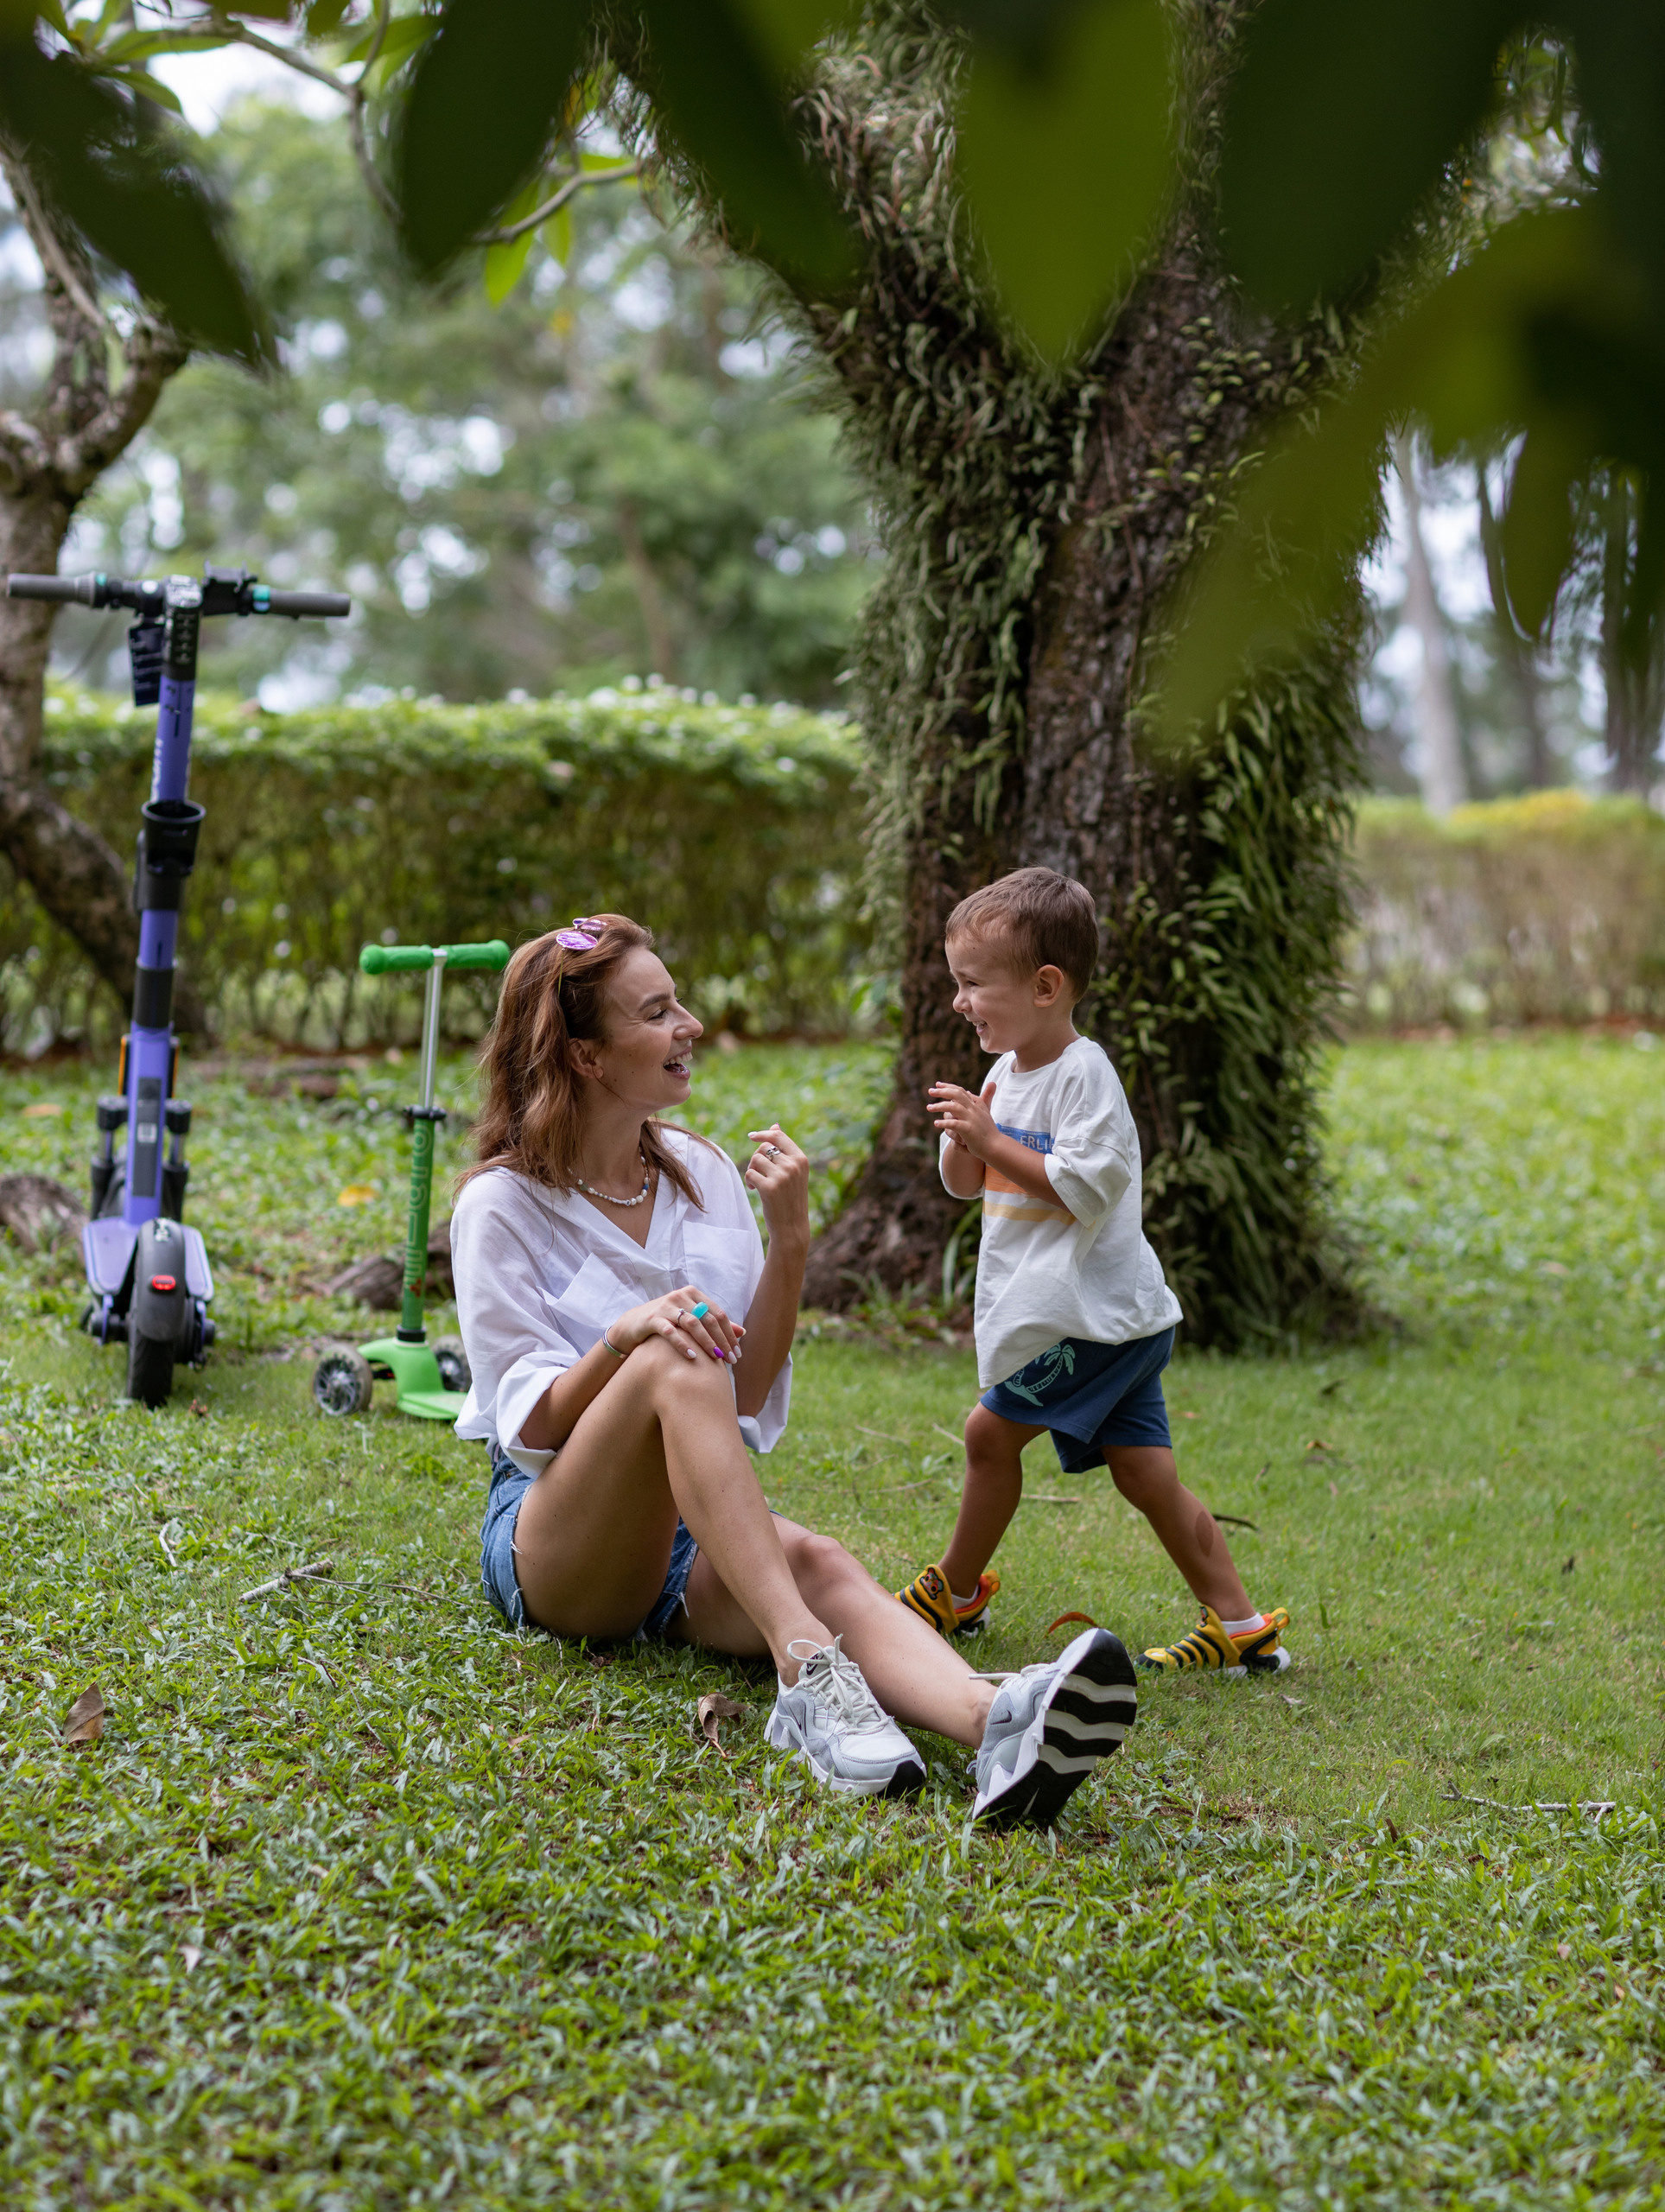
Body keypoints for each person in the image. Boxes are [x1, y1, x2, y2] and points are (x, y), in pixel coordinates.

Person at [449, 912, 1139, 1826]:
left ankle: (995, 1726)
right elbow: (529, 1428)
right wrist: (624, 1337)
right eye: (656, 1013)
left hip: (678, 1544)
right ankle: (806, 1671)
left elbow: (739, 1395)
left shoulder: (699, 1172)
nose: (691, 1024)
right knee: (672, 1352)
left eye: (677, 1002)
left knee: (813, 1556)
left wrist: (791, 1241)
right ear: (584, 1056)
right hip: (556, 1544)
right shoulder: (500, 1205)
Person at [895, 868, 1293, 1676]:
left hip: (1092, 1319)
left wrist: (994, 1139)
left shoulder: (1085, 1074)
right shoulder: (1002, 1075)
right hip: (1111, 1321)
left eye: (973, 983)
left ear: (1045, 986)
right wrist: (967, 1137)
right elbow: (966, 1183)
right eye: (956, 983)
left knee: (986, 1435)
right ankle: (1242, 1626)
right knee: (1146, 1474)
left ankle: (956, 1593)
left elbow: (1084, 1186)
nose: (958, 1002)